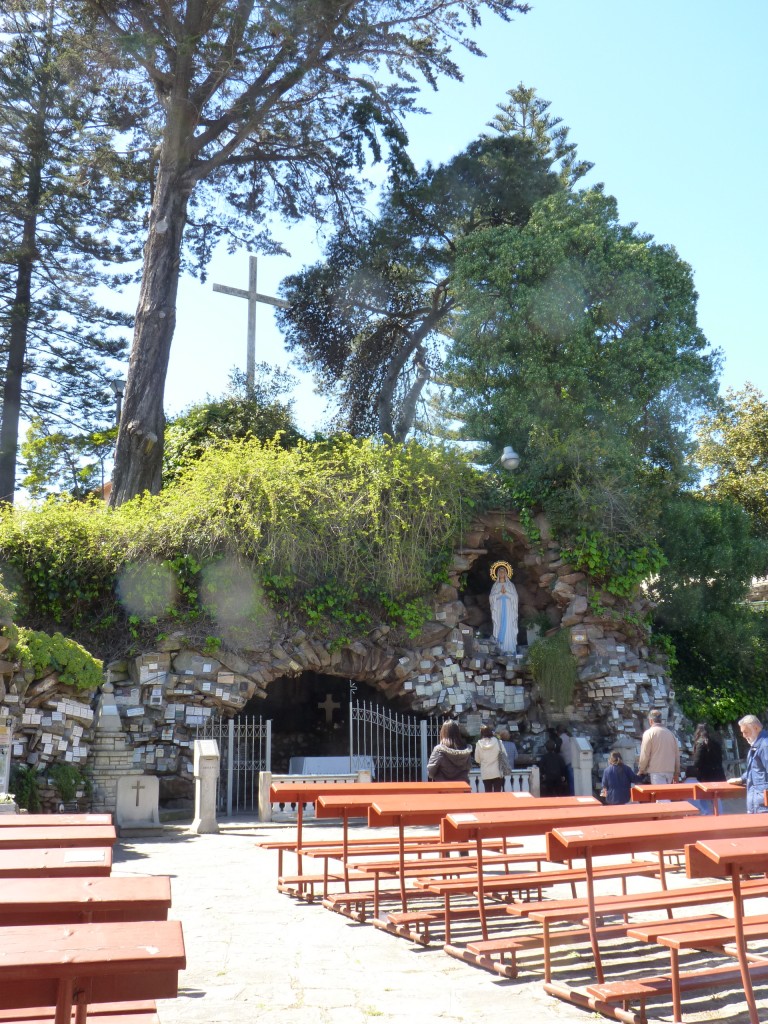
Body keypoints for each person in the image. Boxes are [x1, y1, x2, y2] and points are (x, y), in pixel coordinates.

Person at [727, 714, 768, 813]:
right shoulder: (758, 744)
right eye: (742, 733)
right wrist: (742, 779)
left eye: (746, 732)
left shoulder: (764, 746)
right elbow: (755, 769)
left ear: (756, 728)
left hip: (763, 804)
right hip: (759, 801)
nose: (744, 736)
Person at [689, 722, 725, 815]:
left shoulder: (700, 743)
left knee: (703, 797)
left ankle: (707, 814)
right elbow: (720, 759)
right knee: (716, 797)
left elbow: (697, 761)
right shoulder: (716, 742)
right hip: (717, 774)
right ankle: (719, 814)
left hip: (705, 775)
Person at [638, 709, 680, 784]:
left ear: (651, 721)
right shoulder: (670, 734)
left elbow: (645, 754)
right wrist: (676, 772)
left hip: (656, 771)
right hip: (670, 771)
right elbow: (676, 754)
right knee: (667, 794)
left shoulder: (649, 733)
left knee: (659, 794)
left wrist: (641, 769)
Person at [489, 561, 518, 654]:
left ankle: (510, 648)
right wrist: (499, 593)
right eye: (500, 572)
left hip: (509, 609)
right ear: (497, 574)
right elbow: (491, 598)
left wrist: (506, 593)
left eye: (503, 571)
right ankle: (500, 649)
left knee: (509, 625)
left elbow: (515, 598)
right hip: (499, 609)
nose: (501, 573)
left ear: (506, 573)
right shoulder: (495, 585)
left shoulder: (510, 585)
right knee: (500, 624)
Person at [474, 725, 506, 792]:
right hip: (497, 771)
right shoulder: (498, 742)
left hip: (485, 772)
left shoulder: (478, 744)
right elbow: (505, 755)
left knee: (488, 793)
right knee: (497, 793)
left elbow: (477, 759)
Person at [559, 727, 574, 795]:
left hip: (567, 761)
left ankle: (572, 795)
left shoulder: (560, 739)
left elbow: (558, 750)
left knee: (571, 781)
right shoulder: (570, 737)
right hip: (573, 760)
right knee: (572, 780)